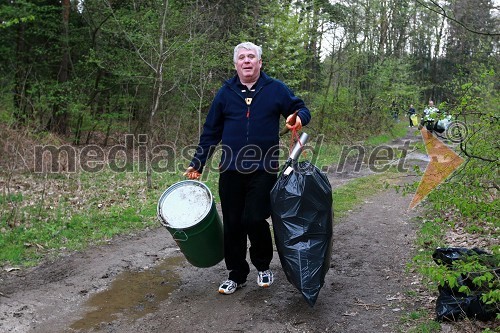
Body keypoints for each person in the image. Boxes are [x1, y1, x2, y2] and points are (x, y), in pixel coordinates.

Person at [184, 42, 311, 295]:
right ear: (236, 65)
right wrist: (197, 163)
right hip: (230, 169)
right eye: (241, 57)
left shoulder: (275, 89)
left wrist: (297, 118)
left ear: (260, 63)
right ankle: (236, 274)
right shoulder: (225, 93)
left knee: (254, 218)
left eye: (251, 56)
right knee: (232, 223)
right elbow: (211, 132)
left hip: (264, 168)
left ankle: (263, 266)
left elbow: (302, 109)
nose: (246, 61)